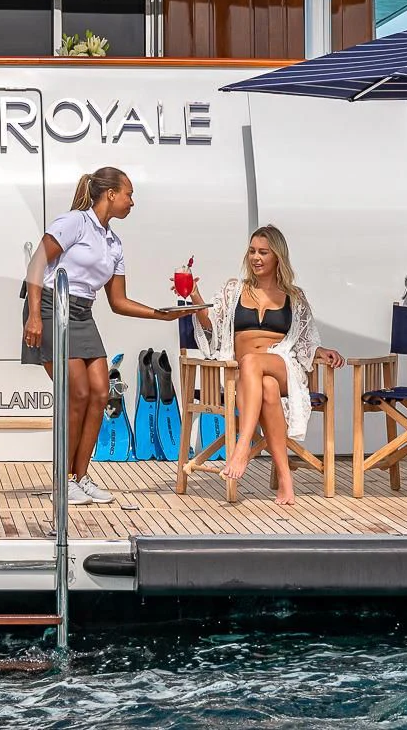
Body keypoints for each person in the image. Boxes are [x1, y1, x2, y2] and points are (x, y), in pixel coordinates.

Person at [23, 167, 195, 505]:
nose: (132, 201)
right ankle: (62, 481)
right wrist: (33, 316)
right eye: (129, 194)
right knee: (78, 393)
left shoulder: (114, 244)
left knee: (101, 394)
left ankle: (80, 477)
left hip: (82, 313)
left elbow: (118, 302)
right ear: (110, 194)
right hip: (50, 306)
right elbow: (37, 263)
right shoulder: (74, 222)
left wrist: (160, 314)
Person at [192, 224, 343, 505]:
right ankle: (286, 480)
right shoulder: (234, 290)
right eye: (252, 251)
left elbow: (305, 341)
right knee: (267, 387)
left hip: (282, 364)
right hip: (245, 376)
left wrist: (321, 351)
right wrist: (194, 295)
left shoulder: (294, 297)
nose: (256, 257)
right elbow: (211, 327)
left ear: (277, 257)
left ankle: (243, 446)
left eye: (263, 252)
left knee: (254, 363)